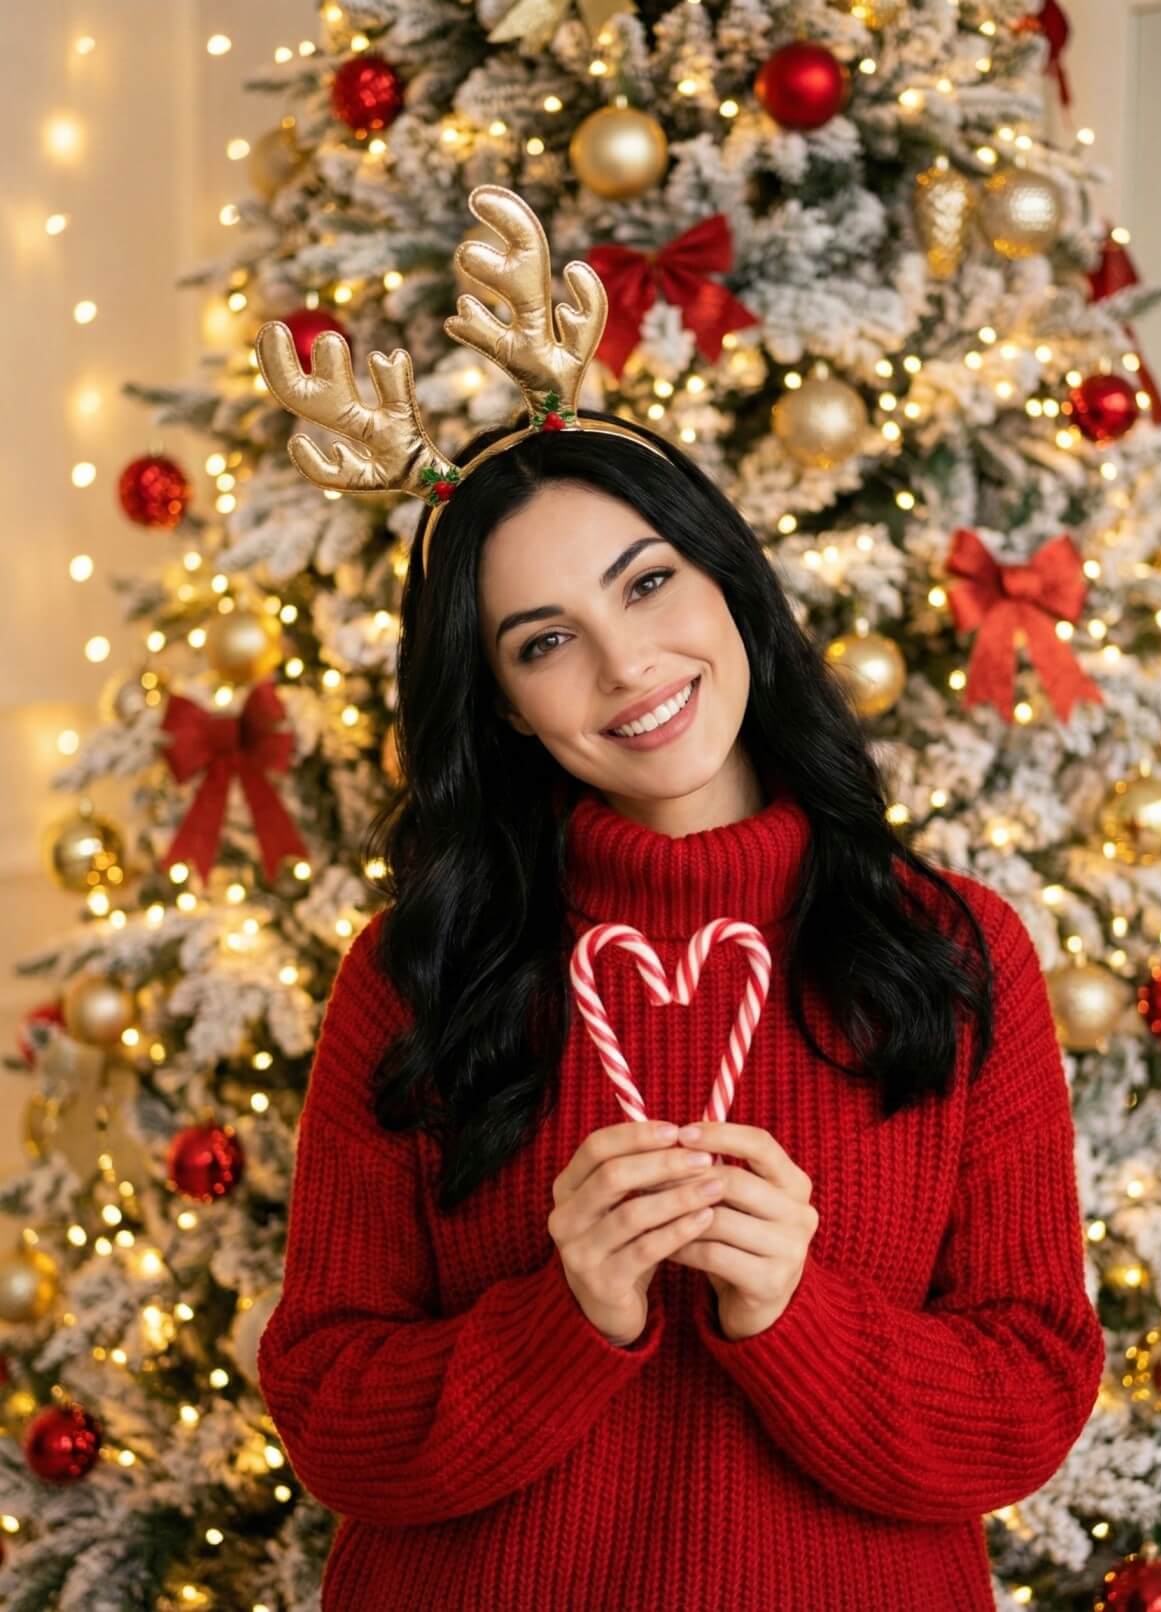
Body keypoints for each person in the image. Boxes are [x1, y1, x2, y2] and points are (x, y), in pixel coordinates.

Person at [253, 185, 1105, 1612]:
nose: (628, 667)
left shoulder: (954, 950)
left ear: (729, 581)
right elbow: (331, 1410)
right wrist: (561, 1316)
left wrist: (793, 1314)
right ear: (507, 709)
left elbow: (1026, 1400)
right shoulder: (418, 968)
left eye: (648, 582)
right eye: (544, 643)